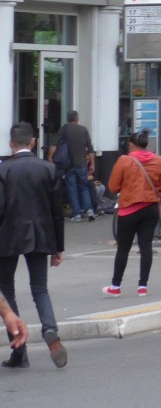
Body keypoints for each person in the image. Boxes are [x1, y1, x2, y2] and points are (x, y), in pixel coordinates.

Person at [0, 122, 67, 369]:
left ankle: (19, 350)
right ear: (33, 142)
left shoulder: (3, 170)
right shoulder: (48, 169)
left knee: (6, 289)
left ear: (10, 144)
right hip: (40, 236)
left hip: (7, 236)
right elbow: (57, 212)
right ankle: (50, 331)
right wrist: (57, 248)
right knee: (40, 289)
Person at [103, 130, 161, 298]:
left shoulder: (124, 161)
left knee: (123, 248)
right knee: (146, 246)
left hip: (128, 208)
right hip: (150, 208)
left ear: (131, 145)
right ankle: (142, 286)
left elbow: (112, 186)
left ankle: (115, 286)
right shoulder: (158, 160)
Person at [48, 110, 95, 222]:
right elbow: (90, 149)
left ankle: (77, 214)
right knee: (84, 187)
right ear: (77, 119)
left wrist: (50, 158)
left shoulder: (64, 130)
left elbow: (54, 145)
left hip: (69, 165)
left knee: (72, 189)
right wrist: (92, 164)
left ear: (68, 119)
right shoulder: (83, 130)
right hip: (82, 164)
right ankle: (89, 210)